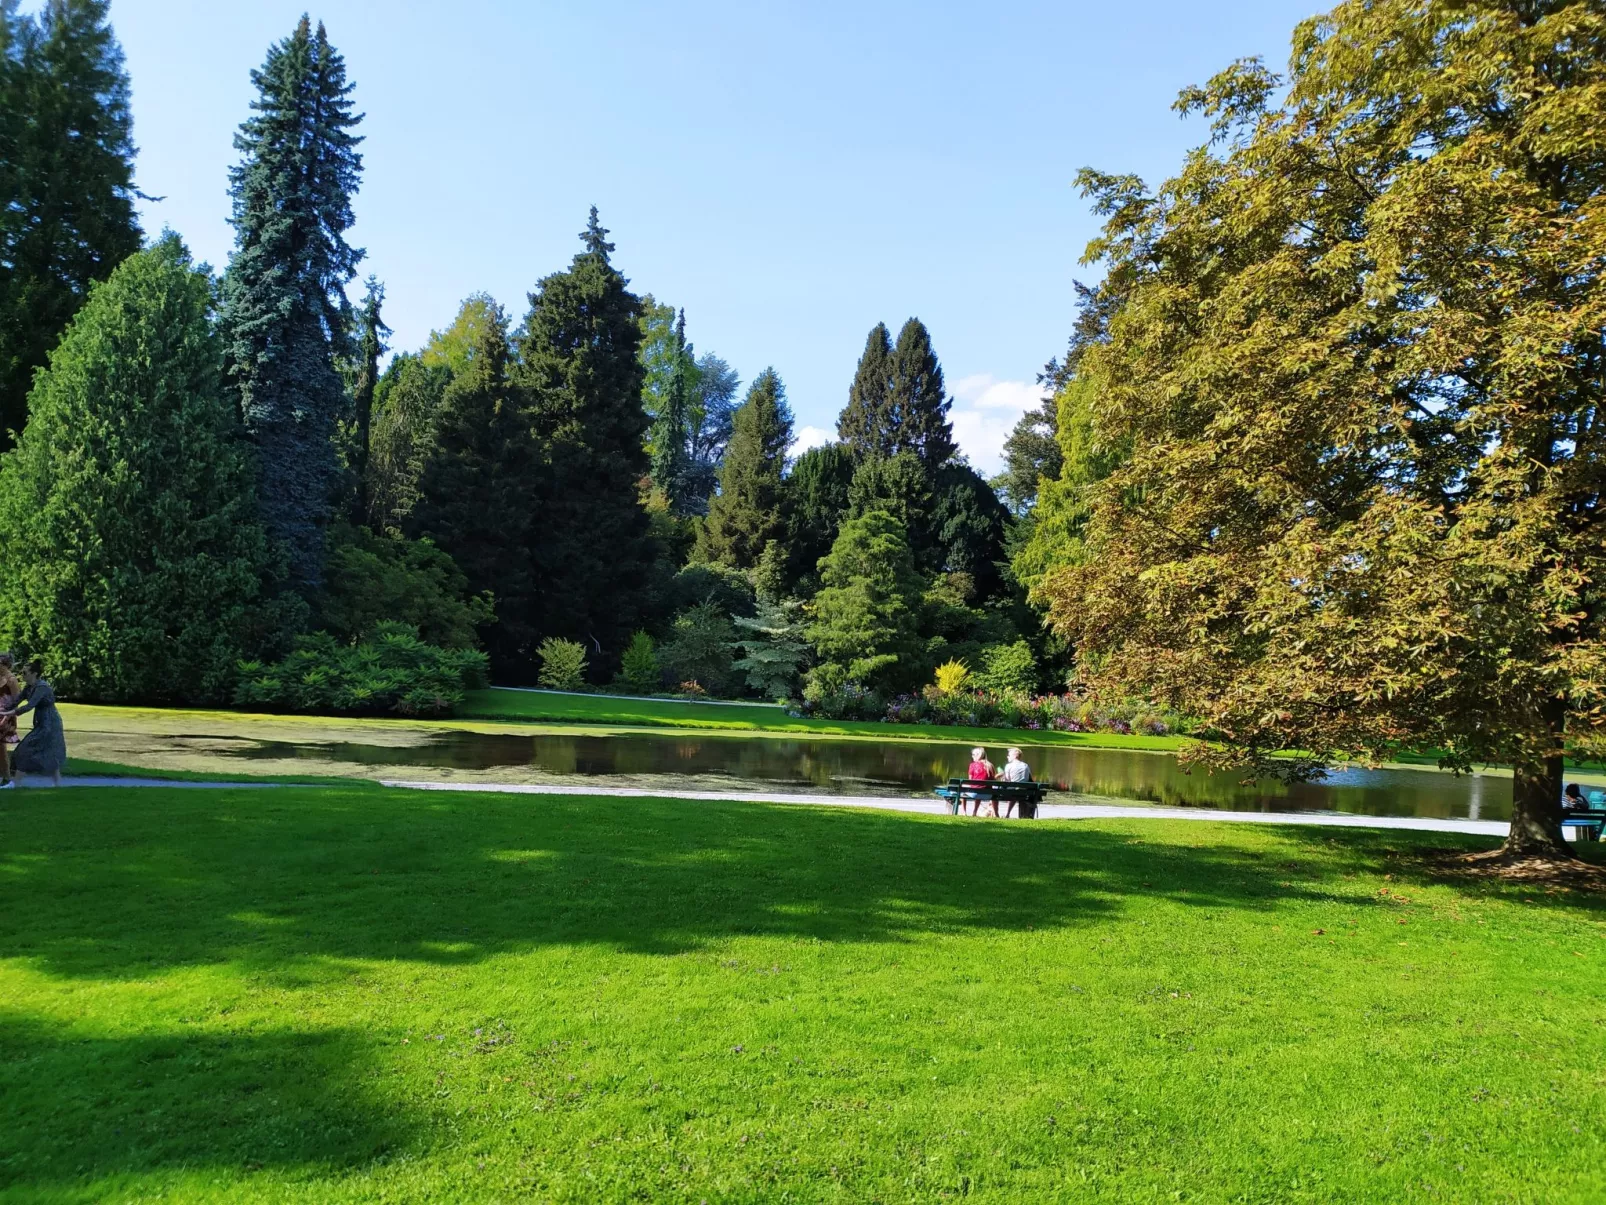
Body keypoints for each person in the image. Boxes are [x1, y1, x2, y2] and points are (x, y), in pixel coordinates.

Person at [0, 661, 66, 788]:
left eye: (25, 673)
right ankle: (58, 784)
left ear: (34, 674)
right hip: (41, 722)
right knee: (49, 752)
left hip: (50, 724)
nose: (22, 675)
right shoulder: (29, 687)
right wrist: (4, 709)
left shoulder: (42, 687)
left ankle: (15, 783)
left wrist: (8, 713)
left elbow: (29, 706)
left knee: (24, 749)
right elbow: (16, 701)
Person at [0, 654, 19, 785]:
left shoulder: (12, 680)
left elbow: (15, 702)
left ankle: (7, 779)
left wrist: (6, 718)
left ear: (4, 664)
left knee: (1, 747)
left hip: (6, 716)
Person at [998, 747, 1032, 817]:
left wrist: (1001, 778)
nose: (1007, 757)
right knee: (1015, 790)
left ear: (1014, 756)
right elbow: (1029, 778)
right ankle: (1009, 814)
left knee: (1011, 790)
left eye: (1009, 755)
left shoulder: (1009, 766)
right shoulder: (1025, 765)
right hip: (1024, 793)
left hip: (1011, 793)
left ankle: (1005, 814)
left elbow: (1007, 780)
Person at [966, 747, 995, 815]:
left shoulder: (972, 765)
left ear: (977, 755)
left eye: (973, 754)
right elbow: (993, 779)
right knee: (979, 788)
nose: (972, 756)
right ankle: (975, 812)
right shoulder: (990, 765)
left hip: (975, 794)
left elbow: (970, 781)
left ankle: (964, 812)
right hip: (988, 795)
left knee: (962, 788)